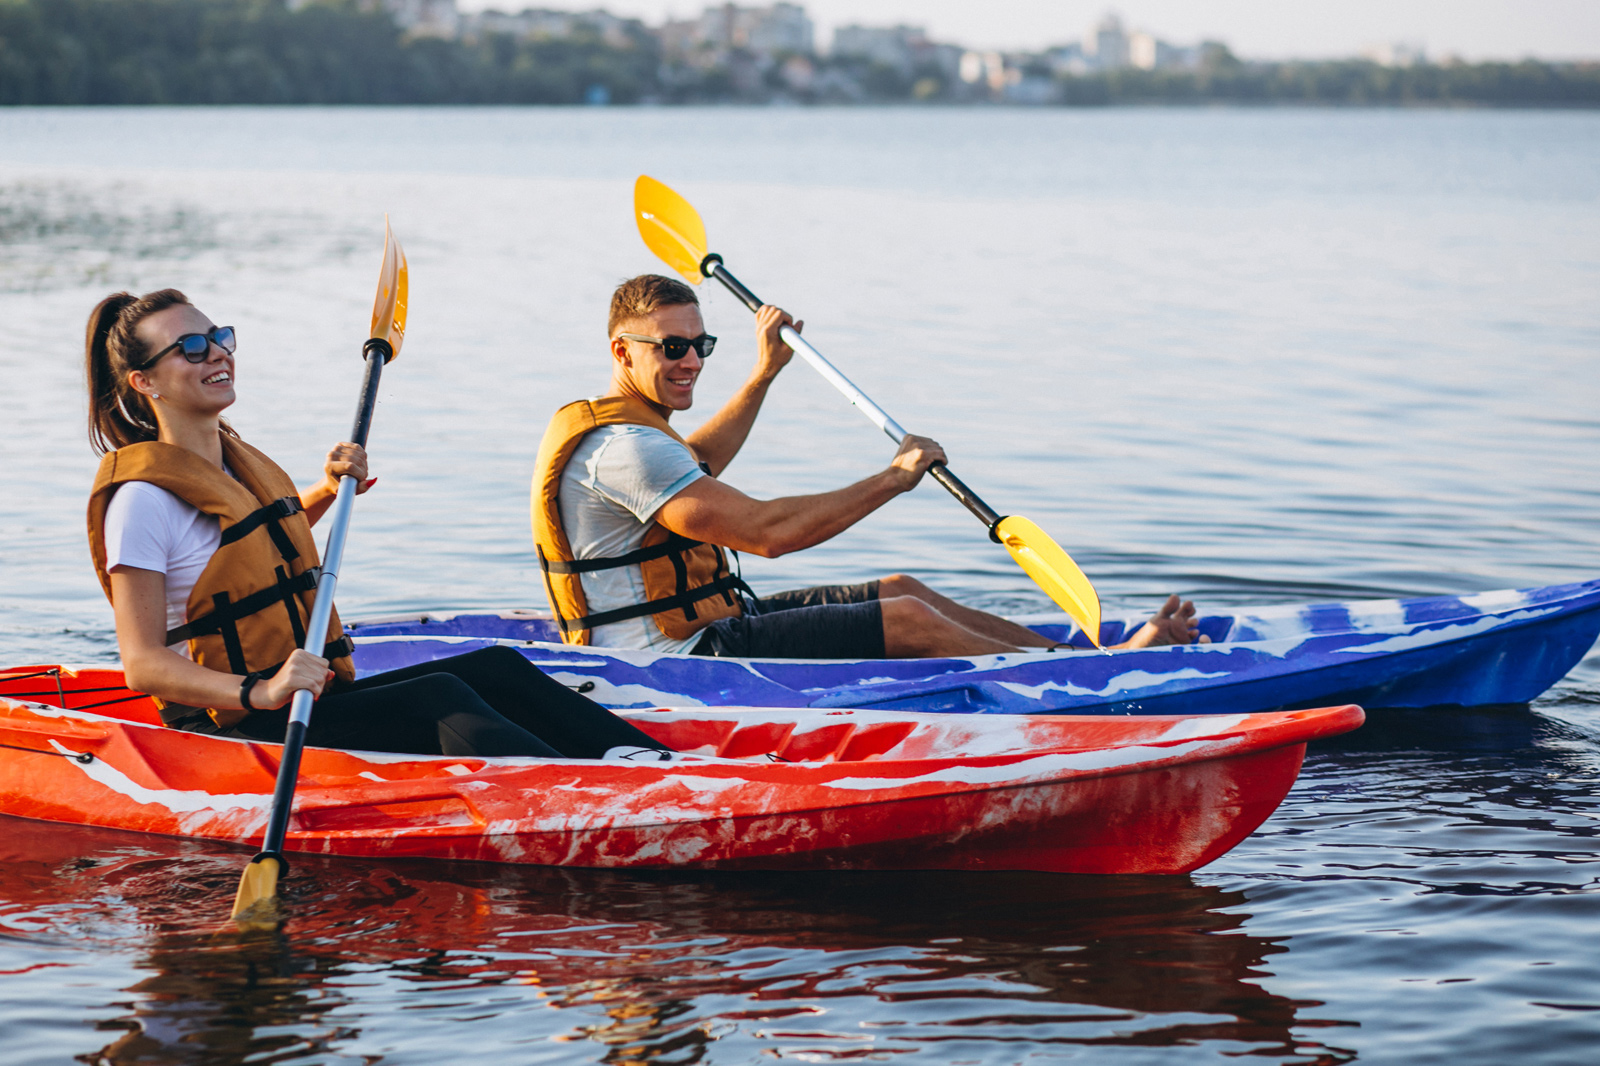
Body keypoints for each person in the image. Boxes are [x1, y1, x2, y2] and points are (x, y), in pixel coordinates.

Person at [86, 287, 669, 759]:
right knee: (436, 696)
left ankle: (651, 767)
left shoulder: (234, 467)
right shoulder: (142, 502)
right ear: (145, 382)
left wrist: (328, 490)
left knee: (497, 666)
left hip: (303, 700)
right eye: (191, 347)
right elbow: (142, 664)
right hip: (238, 725)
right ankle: (587, 798)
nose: (217, 352)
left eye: (220, 337)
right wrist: (260, 690)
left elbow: (250, 549)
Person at [531, 274, 1203, 659]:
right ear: (622, 352)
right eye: (672, 346)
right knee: (909, 621)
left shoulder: (633, 437)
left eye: (702, 343)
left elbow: (698, 457)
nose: (692, 360)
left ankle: (1082, 668)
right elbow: (769, 535)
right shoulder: (626, 450)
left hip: (702, 627)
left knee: (901, 587)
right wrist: (892, 479)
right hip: (661, 666)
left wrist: (765, 372)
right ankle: (1095, 682)